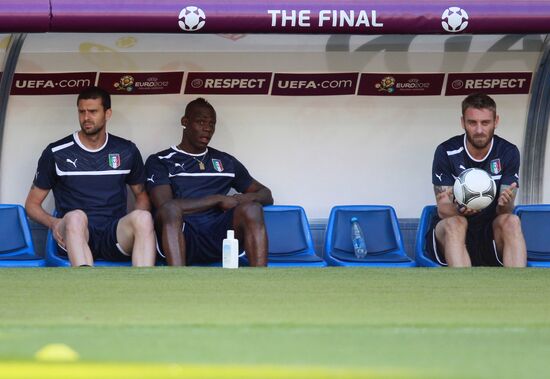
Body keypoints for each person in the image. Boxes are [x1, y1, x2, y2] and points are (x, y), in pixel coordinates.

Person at [25, 86, 156, 267]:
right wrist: (54, 223)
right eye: (82, 112)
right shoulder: (57, 152)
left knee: (143, 218)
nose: (86, 118)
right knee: (76, 217)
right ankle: (85, 287)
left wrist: (132, 224)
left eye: (93, 111)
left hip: (114, 233)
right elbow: (31, 205)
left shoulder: (126, 150)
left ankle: (144, 289)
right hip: (77, 233)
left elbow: (141, 196)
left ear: (107, 113)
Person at [145, 97, 273, 266]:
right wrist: (217, 199)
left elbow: (266, 194)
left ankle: (261, 280)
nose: (207, 129)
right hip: (183, 234)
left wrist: (243, 199)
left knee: (253, 208)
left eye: (212, 124)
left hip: (220, 236)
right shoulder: (160, 160)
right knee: (169, 210)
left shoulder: (225, 161)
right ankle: (176, 278)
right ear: (185, 122)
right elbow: (166, 206)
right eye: (201, 122)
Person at [428, 92, 526, 267]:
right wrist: (460, 211)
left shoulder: (508, 152)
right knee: (456, 223)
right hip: (454, 229)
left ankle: (517, 289)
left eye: (485, 122)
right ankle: (463, 290)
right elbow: (443, 209)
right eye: (472, 123)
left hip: (490, 229)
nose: (479, 130)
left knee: (512, 221)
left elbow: (505, 211)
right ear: (463, 122)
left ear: (496, 121)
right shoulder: (447, 151)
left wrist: (505, 204)